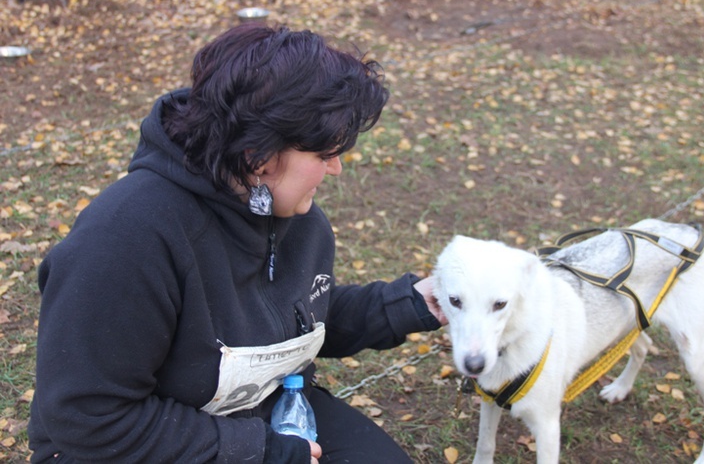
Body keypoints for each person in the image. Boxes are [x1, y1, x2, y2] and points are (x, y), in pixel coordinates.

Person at [28, 23, 446, 463]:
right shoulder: (124, 239)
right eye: (323, 155)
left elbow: (295, 318)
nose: (337, 169)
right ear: (258, 155)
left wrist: (412, 303)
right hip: (133, 446)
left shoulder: (296, 219)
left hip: (267, 411)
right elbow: (89, 418)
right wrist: (265, 453)